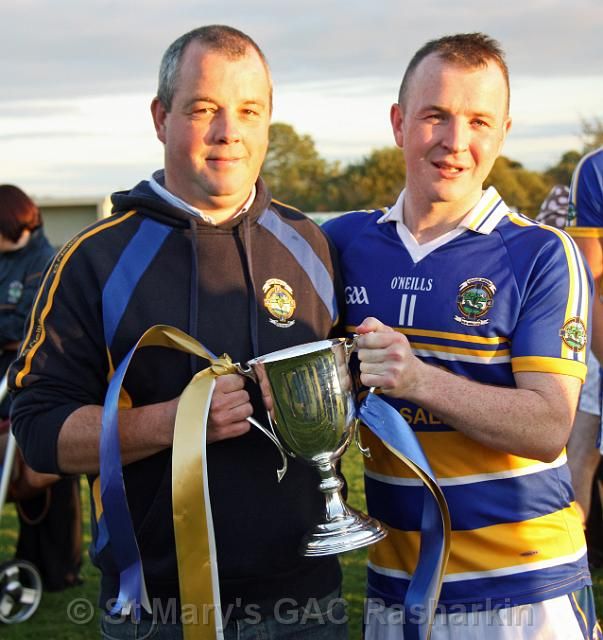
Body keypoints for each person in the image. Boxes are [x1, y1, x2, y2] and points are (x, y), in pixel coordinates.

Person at [8, 26, 345, 639]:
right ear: (161, 117)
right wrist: (180, 422)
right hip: (156, 610)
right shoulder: (94, 259)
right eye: (204, 109)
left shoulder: (311, 245)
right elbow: (38, 433)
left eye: (249, 110)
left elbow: (344, 399)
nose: (229, 132)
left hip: (308, 602)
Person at [324, 33, 600, 639]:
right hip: (395, 589)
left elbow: (548, 426)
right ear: (399, 123)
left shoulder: (541, 254)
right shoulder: (342, 243)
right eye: (436, 116)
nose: (455, 141)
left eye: (479, 121)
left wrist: (418, 379)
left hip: (523, 592)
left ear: (503, 133)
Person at [0, 184, 82, 591]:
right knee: (21, 481)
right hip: (7, 380)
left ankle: (61, 568)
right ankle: (31, 560)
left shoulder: (47, 262)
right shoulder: (6, 262)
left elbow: (28, 326)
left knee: (50, 477)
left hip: (35, 381)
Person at [566, 147, 603, 568]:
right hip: (599, 349)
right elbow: (589, 281)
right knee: (583, 455)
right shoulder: (596, 168)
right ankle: (572, 565)